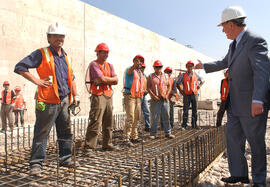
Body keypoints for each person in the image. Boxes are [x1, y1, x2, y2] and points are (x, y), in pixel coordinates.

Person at [195, 6, 270, 187]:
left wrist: (258, 99)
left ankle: (259, 180)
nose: (222, 30)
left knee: (256, 143)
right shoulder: (233, 44)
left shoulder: (254, 41)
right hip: (235, 103)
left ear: (231, 24)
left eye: (223, 26)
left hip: (252, 103)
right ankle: (239, 174)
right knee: (233, 139)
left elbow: (262, 72)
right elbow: (223, 62)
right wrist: (203, 66)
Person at [14, 22, 79, 174]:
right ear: (49, 38)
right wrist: (36, 80)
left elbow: (72, 77)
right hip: (47, 101)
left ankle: (65, 158)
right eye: (55, 36)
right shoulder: (41, 53)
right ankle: (36, 163)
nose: (59, 39)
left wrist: (75, 95)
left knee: (66, 131)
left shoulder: (67, 57)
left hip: (63, 100)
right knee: (42, 132)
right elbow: (20, 67)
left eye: (61, 36)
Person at [84, 43, 118, 151]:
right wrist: (108, 79)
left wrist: (104, 79)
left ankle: (107, 144)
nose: (105, 54)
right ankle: (89, 147)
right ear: (97, 53)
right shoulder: (93, 64)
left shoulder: (110, 65)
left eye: (107, 52)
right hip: (98, 95)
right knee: (95, 120)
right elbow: (102, 79)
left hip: (108, 95)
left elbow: (116, 80)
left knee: (109, 121)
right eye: (103, 52)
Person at [147, 60, 175, 139]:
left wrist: (167, 94)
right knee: (154, 117)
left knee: (166, 116)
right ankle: (153, 134)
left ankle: (168, 133)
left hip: (164, 99)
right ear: (154, 68)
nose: (158, 68)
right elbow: (148, 87)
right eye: (156, 67)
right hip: (155, 99)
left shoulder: (166, 76)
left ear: (162, 67)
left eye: (159, 67)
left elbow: (169, 86)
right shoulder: (151, 76)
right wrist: (153, 96)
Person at [122, 55, 145, 146]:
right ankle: (126, 138)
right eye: (137, 61)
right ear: (134, 61)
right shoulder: (130, 69)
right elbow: (130, 71)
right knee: (130, 116)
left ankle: (134, 136)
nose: (139, 63)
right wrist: (134, 65)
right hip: (130, 95)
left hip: (137, 96)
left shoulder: (140, 72)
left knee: (137, 117)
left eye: (140, 61)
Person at [176, 61, 204, 129]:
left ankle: (194, 124)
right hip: (186, 95)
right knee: (185, 110)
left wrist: (199, 85)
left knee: (195, 110)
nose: (190, 67)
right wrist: (181, 91)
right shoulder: (183, 75)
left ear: (193, 67)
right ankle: (184, 125)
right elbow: (177, 83)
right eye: (188, 66)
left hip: (194, 94)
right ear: (186, 67)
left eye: (191, 66)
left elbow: (203, 80)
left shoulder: (196, 74)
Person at [140, 62, 151, 132]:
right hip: (138, 96)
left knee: (146, 111)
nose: (142, 69)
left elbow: (148, 85)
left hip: (144, 96)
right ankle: (137, 128)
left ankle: (148, 126)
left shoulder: (145, 76)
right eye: (141, 67)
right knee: (137, 112)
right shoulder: (136, 75)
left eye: (143, 67)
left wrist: (147, 90)